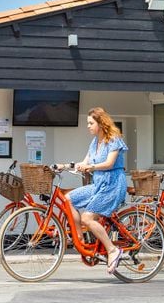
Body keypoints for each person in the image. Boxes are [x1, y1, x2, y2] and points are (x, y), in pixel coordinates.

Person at [66, 107, 128, 274]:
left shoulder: (114, 140)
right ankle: (79, 237)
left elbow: (109, 164)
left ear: (101, 123)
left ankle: (112, 250)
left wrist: (91, 167)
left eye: (91, 123)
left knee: (87, 217)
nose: (88, 126)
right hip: (98, 185)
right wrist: (64, 166)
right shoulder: (94, 143)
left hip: (113, 185)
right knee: (68, 198)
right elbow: (84, 163)